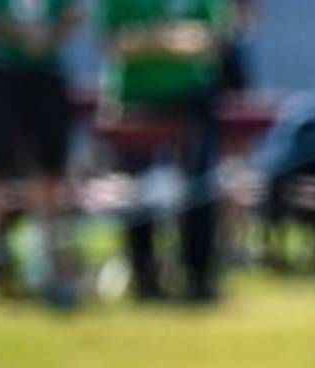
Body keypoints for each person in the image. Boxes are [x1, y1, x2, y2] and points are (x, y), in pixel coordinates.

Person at [99, 0, 231, 302]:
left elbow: (212, 40)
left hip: (191, 98)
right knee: (138, 193)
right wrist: (171, 41)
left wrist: (150, 40)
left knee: (198, 190)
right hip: (136, 100)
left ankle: (198, 277)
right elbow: (114, 42)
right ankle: (144, 275)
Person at [0, 0, 84, 307]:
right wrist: (16, 35)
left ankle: (47, 257)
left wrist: (47, 39)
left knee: (50, 171)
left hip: (48, 71)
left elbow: (76, 13)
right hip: (0, 69)